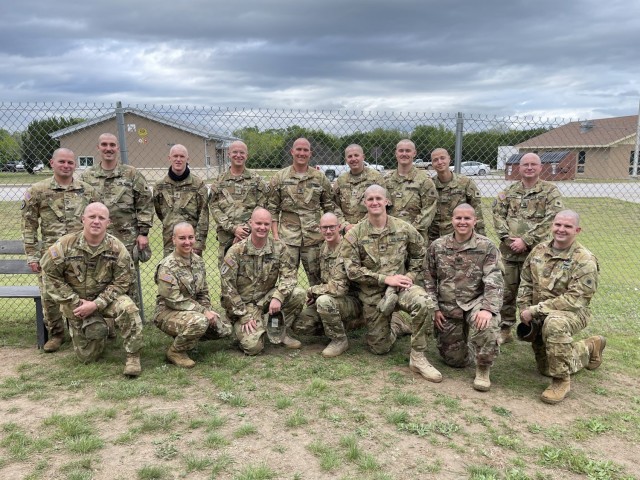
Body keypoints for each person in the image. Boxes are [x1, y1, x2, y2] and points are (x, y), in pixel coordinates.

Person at [341, 185, 441, 382]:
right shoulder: (355, 234)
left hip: (401, 287)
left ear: (387, 201)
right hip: (373, 295)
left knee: (424, 302)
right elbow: (351, 270)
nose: (375, 202)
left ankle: (418, 357)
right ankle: (397, 325)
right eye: (370, 199)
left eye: (379, 198)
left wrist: (410, 277)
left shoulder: (404, 228)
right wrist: (385, 279)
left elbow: (420, 254)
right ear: (364, 203)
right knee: (380, 348)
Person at [39, 203, 144, 376]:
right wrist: (76, 302)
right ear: (83, 219)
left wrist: (96, 304)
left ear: (108, 223)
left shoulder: (117, 248)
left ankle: (133, 357)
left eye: (101, 218)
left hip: (105, 300)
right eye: (92, 217)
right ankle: (101, 327)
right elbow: (50, 275)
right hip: (76, 303)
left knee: (128, 308)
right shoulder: (65, 245)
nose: (96, 221)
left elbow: (123, 281)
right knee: (88, 357)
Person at [517, 210, 605, 404]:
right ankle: (590, 347)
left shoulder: (585, 260)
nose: (561, 229)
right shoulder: (538, 250)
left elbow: (575, 299)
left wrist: (535, 310)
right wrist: (524, 309)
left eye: (567, 226)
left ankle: (561, 382)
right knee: (546, 367)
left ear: (577, 230)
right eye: (558, 225)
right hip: (539, 313)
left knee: (554, 324)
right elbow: (526, 282)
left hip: (572, 313)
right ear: (552, 226)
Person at [21, 148, 99, 352]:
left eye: (70, 163)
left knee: (84, 292)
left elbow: (96, 220)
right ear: (52, 163)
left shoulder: (87, 191)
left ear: (75, 165)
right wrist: (32, 255)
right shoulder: (38, 190)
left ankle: (86, 331)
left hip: (80, 254)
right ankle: (56, 334)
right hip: (50, 255)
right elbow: (29, 225)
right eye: (62, 162)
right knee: (49, 296)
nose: (66, 166)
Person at [424, 204, 503, 391]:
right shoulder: (438, 246)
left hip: (476, 302)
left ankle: (483, 367)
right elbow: (428, 279)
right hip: (449, 306)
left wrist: (487, 309)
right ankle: (468, 345)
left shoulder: (487, 247)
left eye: (467, 218)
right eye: (458, 218)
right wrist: (434, 308)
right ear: (452, 220)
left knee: (488, 324)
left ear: (474, 221)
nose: (462, 222)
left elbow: (495, 280)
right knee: (455, 361)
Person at [492, 153, 563, 344]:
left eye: (533, 164)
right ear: (519, 168)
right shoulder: (509, 191)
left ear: (540, 168)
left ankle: (535, 329)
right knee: (506, 290)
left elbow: (552, 219)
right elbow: (498, 215)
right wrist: (507, 239)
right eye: (525, 165)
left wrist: (526, 240)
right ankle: (505, 327)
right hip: (509, 253)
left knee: (536, 292)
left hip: (536, 253)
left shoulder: (550, 192)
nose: (529, 168)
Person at [80, 133, 154, 308]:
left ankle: (132, 316)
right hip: (96, 238)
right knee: (98, 277)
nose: (108, 148)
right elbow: (81, 207)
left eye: (112, 145)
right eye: (104, 144)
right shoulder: (87, 177)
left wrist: (143, 233)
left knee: (128, 278)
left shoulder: (131, 174)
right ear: (98, 148)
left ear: (118, 148)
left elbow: (145, 202)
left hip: (126, 237)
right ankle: (103, 318)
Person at [220, 208, 306, 355]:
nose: (262, 227)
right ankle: (242, 326)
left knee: (298, 294)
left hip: (266, 301)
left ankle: (280, 330)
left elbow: (289, 276)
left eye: (266, 224)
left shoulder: (279, 248)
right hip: (244, 306)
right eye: (258, 223)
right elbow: (228, 288)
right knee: (253, 348)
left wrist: (278, 297)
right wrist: (244, 315)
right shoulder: (236, 251)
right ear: (250, 223)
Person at [153, 223, 231, 368]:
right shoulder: (167, 266)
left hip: (192, 310)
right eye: (182, 238)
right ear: (174, 239)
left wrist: (208, 310)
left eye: (190, 237)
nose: (187, 242)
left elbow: (203, 292)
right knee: (200, 322)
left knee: (224, 329)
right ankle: (176, 352)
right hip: (167, 311)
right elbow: (173, 300)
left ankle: (190, 335)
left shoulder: (198, 261)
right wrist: (203, 312)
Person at [267, 138, 339, 286]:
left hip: (314, 238)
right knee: (287, 280)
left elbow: (329, 207)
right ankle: (288, 308)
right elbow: (272, 209)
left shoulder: (319, 178)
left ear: (310, 153)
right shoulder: (280, 177)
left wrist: (330, 234)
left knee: (318, 279)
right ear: (292, 152)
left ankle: (317, 307)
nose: (302, 153)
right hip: (287, 238)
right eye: (298, 149)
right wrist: (275, 236)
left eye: (305, 150)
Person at [292, 213, 365, 358]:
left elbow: (339, 288)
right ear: (320, 229)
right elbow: (325, 282)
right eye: (324, 227)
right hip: (332, 298)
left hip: (353, 300)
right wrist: (317, 292)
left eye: (332, 227)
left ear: (339, 227)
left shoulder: (347, 249)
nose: (328, 231)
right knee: (300, 325)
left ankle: (339, 340)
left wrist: (312, 291)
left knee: (323, 301)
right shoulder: (323, 248)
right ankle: (347, 325)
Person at [209, 140, 269, 267]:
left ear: (246, 155)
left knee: (250, 276)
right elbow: (214, 206)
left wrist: (245, 230)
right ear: (229, 154)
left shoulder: (256, 180)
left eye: (242, 152)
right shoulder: (220, 180)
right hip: (226, 238)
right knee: (227, 274)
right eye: (235, 152)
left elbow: (262, 206)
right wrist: (233, 228)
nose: (238, 155)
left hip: (251, 238)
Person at [153, 144, 209, 257]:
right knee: (168, 273)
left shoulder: (198, 185)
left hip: (190, 244)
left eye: (182, 156)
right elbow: (160, 212)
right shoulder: (160, 186)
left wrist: (198, 244)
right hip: (170, 241)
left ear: (187, 159)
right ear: (169, 158)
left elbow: (203, 216)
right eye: (175, 156)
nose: (178, 159)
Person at [384, 139, 437, 243]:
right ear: (396, 153)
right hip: (390, 238)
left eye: (408, 151)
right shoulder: (386, 180)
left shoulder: (424, 180)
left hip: (416, 238)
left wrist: (409, 232)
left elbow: (429, 211)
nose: (404, 154)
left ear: (414, 153)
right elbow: (380, 207)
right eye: (401, 151)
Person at [428, 148, 485, 241]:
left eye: (442, 158)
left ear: (449, 159)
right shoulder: (429, 185)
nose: (439, 162)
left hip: (459, 236)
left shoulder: (465, 183)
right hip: (434, 238)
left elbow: (477, 211)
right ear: (432, 164)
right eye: (435, 160)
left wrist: (480, 238)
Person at [333, 144, 384, 231]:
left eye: (356, 155)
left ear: (363, 157)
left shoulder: (376, 178)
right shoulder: (340, 181)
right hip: (346, 231)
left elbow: (383, 205)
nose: (353, 159)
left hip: (370, 229)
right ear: (346, 160)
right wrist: (345, 225)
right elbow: (334, 206)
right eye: (350, 156)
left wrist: (361, 224)